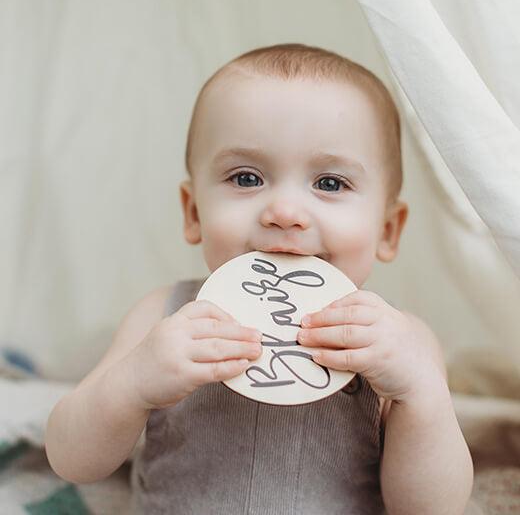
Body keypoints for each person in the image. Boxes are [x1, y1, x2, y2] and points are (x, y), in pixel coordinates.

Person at [45, 43, 474, 514]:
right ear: (193, 212)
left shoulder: (400, 341)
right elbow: (71, 460)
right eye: (246, 178)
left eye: (330, 183)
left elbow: (431, 509)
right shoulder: (162, 316)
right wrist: (132, 384)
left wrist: (421, 395)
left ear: (387, 229)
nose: (285, 213)